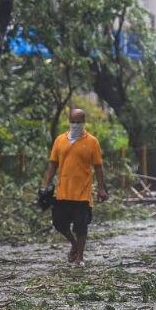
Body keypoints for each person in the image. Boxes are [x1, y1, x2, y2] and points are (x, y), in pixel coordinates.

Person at [42, 108, 108, 265]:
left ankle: (80, 257)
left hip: (82, 193)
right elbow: (53, 165)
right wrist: (46, 184)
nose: (75, 125)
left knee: (81, 226)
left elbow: (98, 167)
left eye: (78, 122)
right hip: (62, 191)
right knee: (58, 223)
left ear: (83, 122)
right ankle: (73, 244)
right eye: (73, 122)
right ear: (68, 121)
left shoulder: (92, 142)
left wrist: (101, 188)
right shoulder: (59, 140)